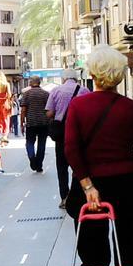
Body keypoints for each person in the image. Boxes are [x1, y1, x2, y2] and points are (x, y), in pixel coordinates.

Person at [63, 45, 133, 266]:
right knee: (127, 256)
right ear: (120, 75)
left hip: (91, 187)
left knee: (93, 257)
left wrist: (87, 185)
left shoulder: (78, 106)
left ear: (92, 74)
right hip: (127, 186)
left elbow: (71, 149)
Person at [46, 68, 87, 208]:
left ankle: (65, 197)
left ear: (63, 79)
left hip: (61, 135)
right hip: (79, 132)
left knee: (62, 167)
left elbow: (50, 113)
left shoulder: (56, 91)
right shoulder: (84, 90)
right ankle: (81, 194)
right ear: (76, 78)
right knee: (80, 164)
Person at [19, 76, 51, 173]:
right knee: (42, 144)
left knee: (29, 143)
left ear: (30, 83)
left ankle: (32, 159)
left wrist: (21, 123)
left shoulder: (27, 94)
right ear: (39, 83)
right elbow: (49, 109)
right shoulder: (46, 94)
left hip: (31, 123)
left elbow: (23, 110)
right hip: (43, 123)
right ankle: (39, 165)